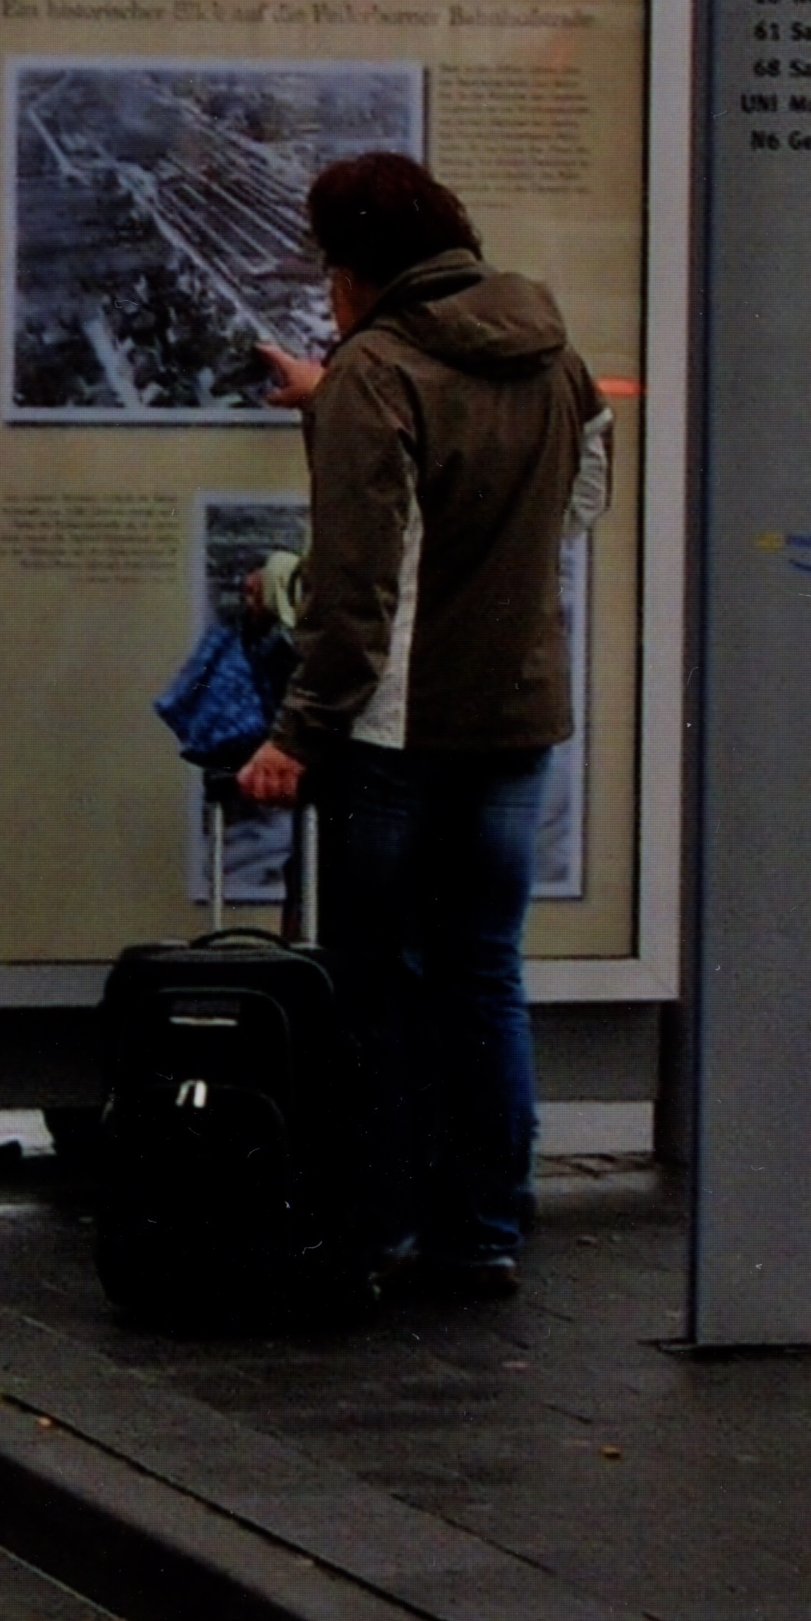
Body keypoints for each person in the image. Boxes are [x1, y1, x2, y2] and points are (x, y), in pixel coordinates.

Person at [234, 155, 610, 1302]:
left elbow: (354, 589)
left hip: (397, 739)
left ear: (356, 271)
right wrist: (328, 401)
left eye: (333, 269)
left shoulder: (378, 372)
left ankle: (378, 1219)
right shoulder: (550, 348)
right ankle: (484, 1227)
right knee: (484, 973)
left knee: (379, 979)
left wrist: (296, 731)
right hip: (515, 715)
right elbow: (580, 502)